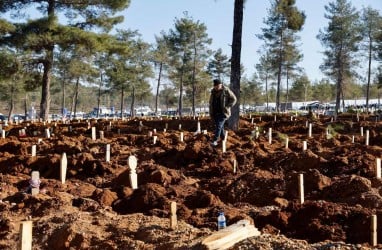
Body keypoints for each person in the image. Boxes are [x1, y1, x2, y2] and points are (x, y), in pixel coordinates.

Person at [209, 79, 237, 146]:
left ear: (221, 85)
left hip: (223, 112)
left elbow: (234, 99)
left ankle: (215, 140)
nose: (217, 87)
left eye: (218, 85)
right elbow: (210, 103)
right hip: (215, 112)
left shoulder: (226, 91)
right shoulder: (213, 92)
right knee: (220, 127)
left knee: (218, 126)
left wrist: (227, 107)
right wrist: (211, 112)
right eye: (216, 86)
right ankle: (223, 139)